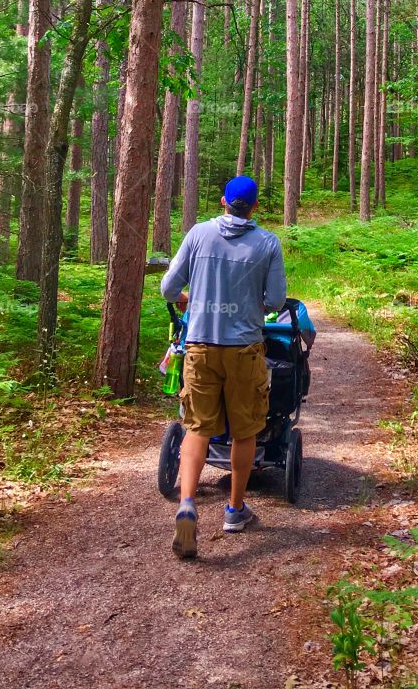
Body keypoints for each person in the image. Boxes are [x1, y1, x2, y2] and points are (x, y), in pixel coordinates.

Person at [160, 174, 286, 560]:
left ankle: (187, 503)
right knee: (245, 429)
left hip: (200, 346)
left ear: (222, 201)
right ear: (256, 208)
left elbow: (168, 288)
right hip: (244, 350)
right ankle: (234, 510)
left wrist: (187, 298)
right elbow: (277, 299)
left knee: (196, 427)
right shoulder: (267, 242)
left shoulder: (198, 234)